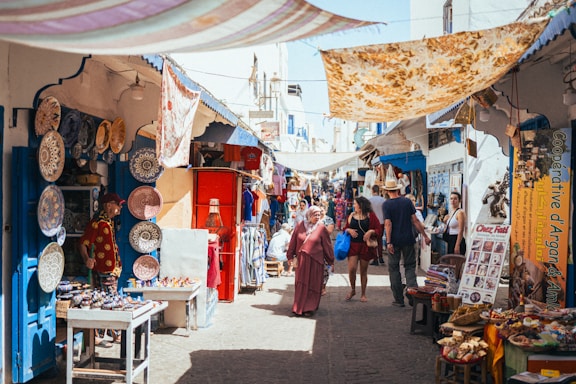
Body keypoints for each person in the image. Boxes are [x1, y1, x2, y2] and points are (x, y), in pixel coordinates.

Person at [79, 192, 125, 347]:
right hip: (103, 268)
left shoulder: (108, 222)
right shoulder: (97, 222)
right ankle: (112, 334)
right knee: (111, 300)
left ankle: (105, 334)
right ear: (109, 205)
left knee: (105, 301)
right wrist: (87, 259)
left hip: (113, 268)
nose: (119, 209)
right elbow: (84, 242)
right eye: (118, 205)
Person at [383, 180, 431, 307]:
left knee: (394, 269)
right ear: (398, 190)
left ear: (387, 191)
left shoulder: (387, 205)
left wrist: (388, 242)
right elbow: (415, 221)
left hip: (394, 240)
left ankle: (398, 299)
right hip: (408, 239)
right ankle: (412, 292)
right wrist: (425, 236)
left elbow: (388, 224)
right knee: (410, 266)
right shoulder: (407, 202)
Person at [286, 205, 334, 316]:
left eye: (319, 215)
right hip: (302, 261)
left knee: (314, 284)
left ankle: (309, 307)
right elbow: (293, 241)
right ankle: (298, 307)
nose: (317, 217)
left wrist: (331, 261)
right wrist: (290, 256)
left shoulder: (321, 228)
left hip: (316, 262)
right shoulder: (300, 226)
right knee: (301, 283)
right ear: (309, 215)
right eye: (315, 215)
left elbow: (327, 245)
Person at [343, 196, 382, 303]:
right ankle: (353, 289)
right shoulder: (351, 215)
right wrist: (349, 230)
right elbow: (344, 228)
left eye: (355, 204)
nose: (353, 205)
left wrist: (371, 232)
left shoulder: (371, 216)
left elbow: (379, 229)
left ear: (360, 206)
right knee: (352, 269)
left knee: (363, 271)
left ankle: (363, 293)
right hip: (353, 245)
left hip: (365, 246)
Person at [368, 185, 386, 266]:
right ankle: (381, 257)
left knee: (373, 240)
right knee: (380, 240)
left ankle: (375, 258)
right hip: (382, 221)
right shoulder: (383, 200)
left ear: (372, 190)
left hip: (373, 222)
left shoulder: (369, 200)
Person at [319, 206, 335, 295]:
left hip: (326, 245)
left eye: (322, 210)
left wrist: (319, 226)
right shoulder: (314, 219)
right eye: (319, 211)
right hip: (316, 245)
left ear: (325, 210)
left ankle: (323, 287)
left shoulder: (329, 220)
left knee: (326, 266)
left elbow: (329, 231)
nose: (320, 212)